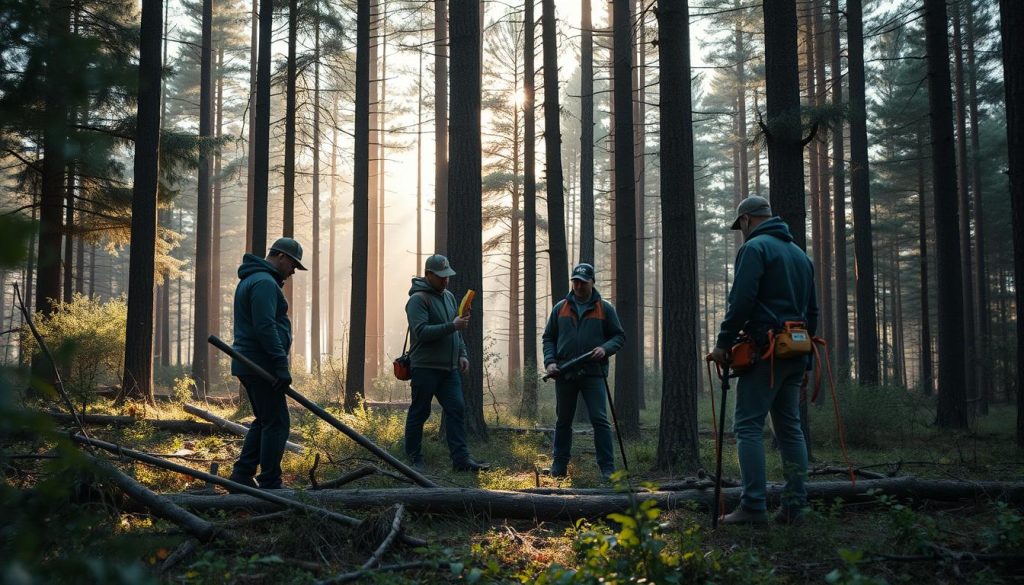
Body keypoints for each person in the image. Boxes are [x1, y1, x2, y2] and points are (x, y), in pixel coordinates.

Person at [710, 195, 817, 524]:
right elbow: (812, 312)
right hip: (796, 349)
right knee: (790, 429)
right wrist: (807, 365)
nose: (741, 232)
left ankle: (753, 507)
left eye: (740, 226)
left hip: (765, 351)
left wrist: (723, 343)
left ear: (745, 220)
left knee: (748, 427)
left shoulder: (755, 249)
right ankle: (795, 507)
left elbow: (741, 301)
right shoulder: (800, 255)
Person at [228, 237, 306, 490]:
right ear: (281, 257)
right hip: (260, 364)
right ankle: (270, 482)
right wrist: (279, 364)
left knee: (264, 420)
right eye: (293, 264)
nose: (293, 271)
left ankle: (241, 475)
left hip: (251, 362)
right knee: (277, 423)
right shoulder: (263, 282)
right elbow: (265, 326)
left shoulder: (256, 280)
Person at [404, 254, 490, 473]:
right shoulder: (417, 300)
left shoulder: (449, 297)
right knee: (419, 413)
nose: (445, 280)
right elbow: (421, 332)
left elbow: (457, 331)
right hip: (425, 368)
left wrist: (462, 353)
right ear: (429, 275)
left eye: (447, 276)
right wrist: (452, 326)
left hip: (449, 369)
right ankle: (413, 459)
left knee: (457, 409)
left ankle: (461, 460)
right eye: (441, 277)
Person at [542, 263, 625, 481]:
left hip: (593, 373)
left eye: (583, 282)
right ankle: (558, 465)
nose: (578, 285)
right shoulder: (560, 307)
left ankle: (607, 468)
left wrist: (604, 349)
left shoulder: (605, 308)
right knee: (563, 420)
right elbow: (548, 337)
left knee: (600, 420)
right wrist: (550, 362)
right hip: (564, 373)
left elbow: (618, 337)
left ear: (592, 282)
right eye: (575, 281)